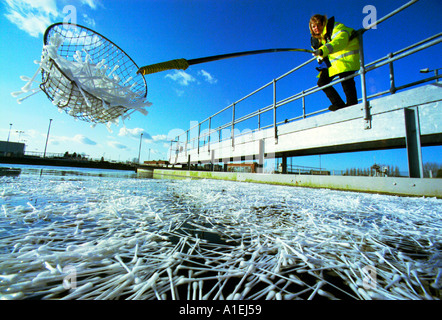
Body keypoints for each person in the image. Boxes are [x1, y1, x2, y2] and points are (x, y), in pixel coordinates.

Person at [309, 14, 360, 111]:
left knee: (346, 81)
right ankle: (338, 104)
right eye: (313, 26)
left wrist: (322, 50)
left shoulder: (335, 27)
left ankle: (353, 107)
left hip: (345, 58)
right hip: (334, 63)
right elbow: (323, 53)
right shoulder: (319, 39)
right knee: (322, 82)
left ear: (323, 23)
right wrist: (319, 56)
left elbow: (340, 41)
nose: (316, 28)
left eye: (318, 24)